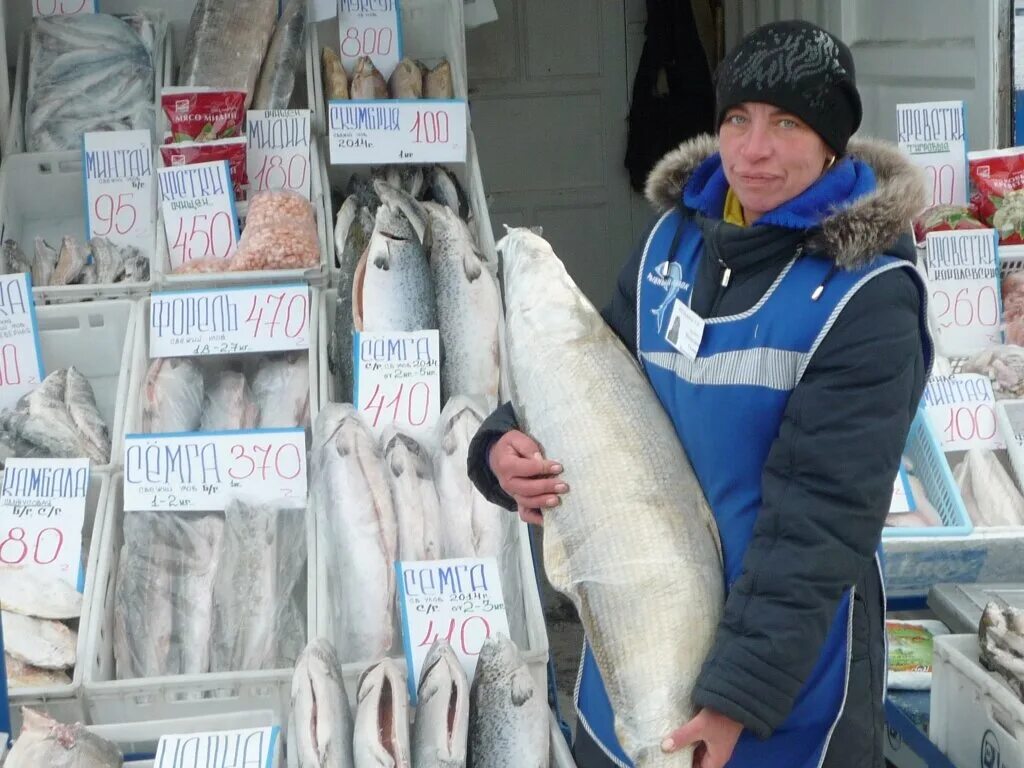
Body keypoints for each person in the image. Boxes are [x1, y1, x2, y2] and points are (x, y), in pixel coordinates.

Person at [467, 19, 933, 768]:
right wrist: (501, 447)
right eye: (738, 120)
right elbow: (593, 379)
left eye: (787, 123)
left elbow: (819, 524)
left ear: (832, 141)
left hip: (775, 685)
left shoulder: (868, 298)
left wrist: (734, 700)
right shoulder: (671, 243)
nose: (754, 149)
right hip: (638, 641)